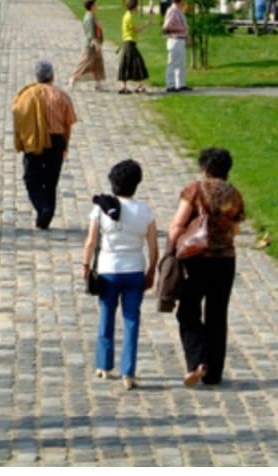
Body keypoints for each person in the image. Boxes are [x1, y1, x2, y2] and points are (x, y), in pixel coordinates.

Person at [167, 147, 244, 387]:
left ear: (204, 168)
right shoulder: (235, 194)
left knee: (188, 311)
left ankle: (198, 361)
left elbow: (178, 224)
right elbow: (235, 226)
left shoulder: (195, 190)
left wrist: (171, 250)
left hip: (197, 259)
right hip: (225, 261)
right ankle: (213, 374)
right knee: (217, 316)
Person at [82, 159, 158, 390]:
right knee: (131, 321)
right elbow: (154, 248)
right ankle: (128, 372)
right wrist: (151, 271)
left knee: (106, 317)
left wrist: (85, 266)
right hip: (134, 271)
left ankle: (104, 366)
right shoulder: (145, 211)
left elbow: (91, 242)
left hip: (108, 271)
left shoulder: (101, 209)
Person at [12, 60, 78, 230]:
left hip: (34, 140)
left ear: (37, 76)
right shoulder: (62, 96)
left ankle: (43, 208)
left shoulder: (28, 95)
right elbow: (68, 124)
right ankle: (46, 214)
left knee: (31, 178)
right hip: (57, 141)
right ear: (53, 76)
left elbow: (19, 115)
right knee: (51, 180)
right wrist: (65, 145)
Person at [68, 0, 107, 91]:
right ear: (91, 6)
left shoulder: (93, 16)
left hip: (96, 43)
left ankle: (98, 83)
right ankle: (73, 78)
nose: (97, 6)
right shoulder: (89, 17)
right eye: (96, 4)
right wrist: (96, 45)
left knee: (98, 64)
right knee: (85, 63)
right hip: (91, 46)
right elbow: (90, 34)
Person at [117, 0, 150, 94]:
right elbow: (136, 30)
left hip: (128, 42)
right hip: (129, 43)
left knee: (129, 63)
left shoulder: (126, 15)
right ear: (134, 7)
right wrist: (146, 24)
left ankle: (133, 85)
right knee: (136, 62)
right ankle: (131, 86)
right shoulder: (129, 17)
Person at [162, 0, 191, 93]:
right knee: (172, 63)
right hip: (174, 39)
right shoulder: (172, 11)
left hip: (181, 39)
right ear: (181, 0)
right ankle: (170, 84)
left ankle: (181, 84)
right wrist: (180, 29)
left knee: (181, 63)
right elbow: (166, 27)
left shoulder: (179, 10)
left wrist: (187, 35)